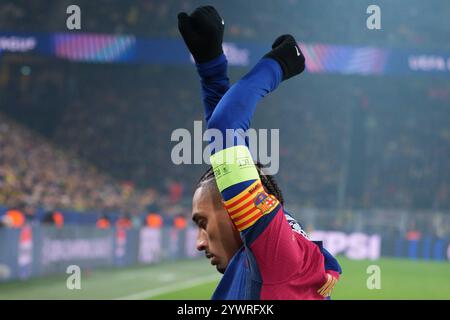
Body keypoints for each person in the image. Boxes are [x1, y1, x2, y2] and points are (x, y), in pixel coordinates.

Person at [178, 6, 341, 300]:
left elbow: (226, 128)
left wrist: (280, 63)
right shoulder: (276, 249)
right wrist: (210, 65)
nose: (199, 243)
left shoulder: (277, 262)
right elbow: (231, 149)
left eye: (203, 223)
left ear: (238, 210)